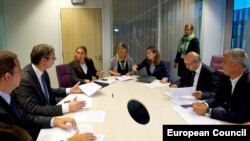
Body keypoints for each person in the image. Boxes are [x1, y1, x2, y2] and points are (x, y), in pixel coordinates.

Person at [0, 51, 96, 140]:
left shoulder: (7, 95)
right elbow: (31, 110)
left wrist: (54, 121)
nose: (22, 72)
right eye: (18, 70)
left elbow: (24, 118)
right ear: (8, 76)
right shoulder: (2, 114)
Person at [13, 44, 85, 117]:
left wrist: (70, 90)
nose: (55, 59)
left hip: (49, 109)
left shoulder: (42, 71)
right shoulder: (25, 79)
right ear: (44, 61)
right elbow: (32, 108)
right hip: (39, 119)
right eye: (53, 58)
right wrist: (66, 107)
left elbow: (48, 91)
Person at [192, 48, 250, 123]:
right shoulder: (226, 77)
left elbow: (241, 116)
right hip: (226, 119)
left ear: (235, 65)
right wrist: (204, 104)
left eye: (224, 62)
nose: (221, 65)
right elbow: (218, 97)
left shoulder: (248, 84)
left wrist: (208, 111)